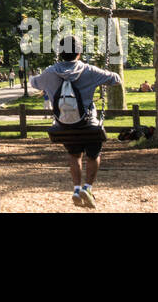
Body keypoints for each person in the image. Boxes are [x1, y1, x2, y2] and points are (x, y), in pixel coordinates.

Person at [30, 35, 122, 209]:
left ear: (60, 53)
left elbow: (34, 83)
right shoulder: (89, 70)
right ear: (79, 53)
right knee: (93, 155)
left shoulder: (50, 72)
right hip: (88, 124)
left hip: (64, 125)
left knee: (74, 155)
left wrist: (45, 80)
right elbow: (115, 79)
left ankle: (76, 189)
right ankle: (87, 188)